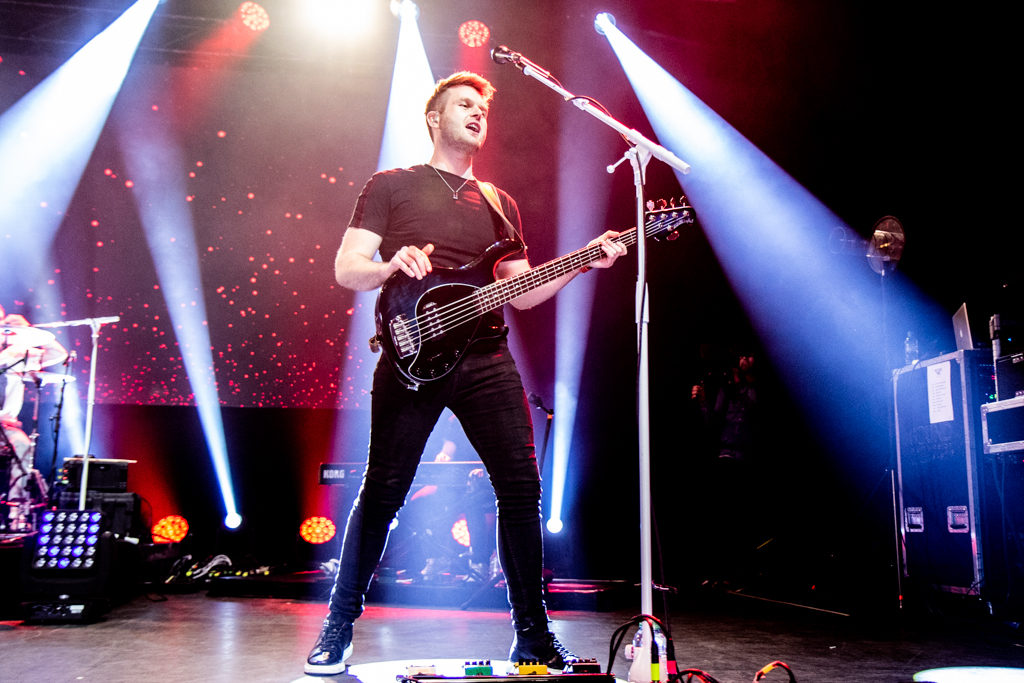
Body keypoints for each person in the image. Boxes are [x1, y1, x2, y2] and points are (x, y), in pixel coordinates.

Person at [305, 71, 627, 675]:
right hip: (411, 359)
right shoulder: (392, 185)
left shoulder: (499, 203)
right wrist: (388, 266)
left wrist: (586, 261)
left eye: (483, 107)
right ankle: (337, 626)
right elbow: (348, 268)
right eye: (464, 105)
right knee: (383, 491)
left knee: (521, 491)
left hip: (486, 358)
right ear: (435, 118)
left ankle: (533, 638)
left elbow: (522, 291)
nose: (478, 113)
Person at [1, 303, 67, 529]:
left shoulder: (17, 352)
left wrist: (30, 332)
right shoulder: (12, 353)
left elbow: (59, 354)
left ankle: (16, 513)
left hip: (6, 427)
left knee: (23, 444)